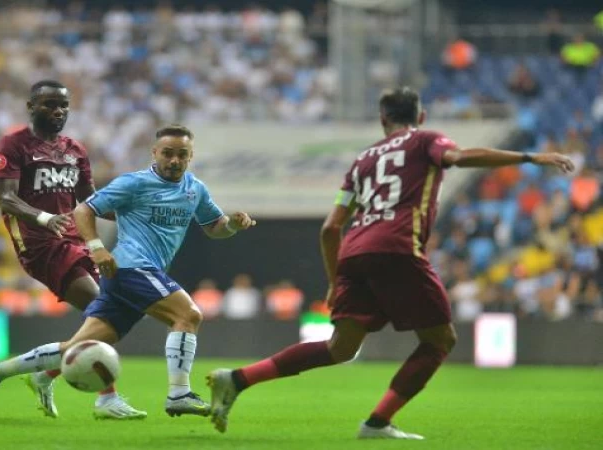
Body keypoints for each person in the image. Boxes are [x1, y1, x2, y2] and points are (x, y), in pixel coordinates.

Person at [206, 87, 574, 439]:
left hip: (354, 252)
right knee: (440, 340)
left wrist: (335, 281)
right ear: (421, 116)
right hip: (397, 247)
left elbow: (330, 228)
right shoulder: (426, 140)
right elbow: (459, 157)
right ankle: (378, 421)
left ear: (383, 120)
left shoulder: (362, 161)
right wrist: (530, 157)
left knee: (339, 348)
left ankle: (237, 379)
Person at [0, 124, 256, 418]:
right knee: (188, 315)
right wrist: (96, 247)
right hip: (131, 267)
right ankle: (179, 393)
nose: (174, 160)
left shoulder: (195, 189)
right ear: (155, 153)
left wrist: (233, 225)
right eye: (168, 153)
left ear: (190, 156)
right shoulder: (134, 183)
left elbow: (214, 227)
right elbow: (84, 210)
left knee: (79, 345)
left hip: (127, 276)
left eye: (182, 154)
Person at [0, 80, 144, 419]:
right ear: (31, 107)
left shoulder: (75, 150)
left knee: (116, 311)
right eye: (49, 104)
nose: (58, 111)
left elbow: (90, 201)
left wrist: (134, 216)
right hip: (39, 244)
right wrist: (46, 218)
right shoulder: (13, 145)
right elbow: (7, 199)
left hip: (76, 241)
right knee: (103, 310)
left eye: (63, 105)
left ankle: (29, 373)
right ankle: (106, 399)